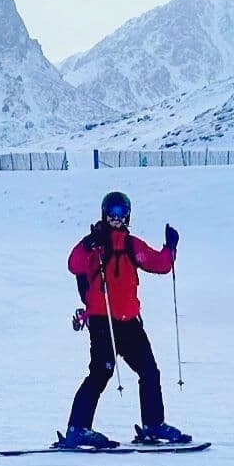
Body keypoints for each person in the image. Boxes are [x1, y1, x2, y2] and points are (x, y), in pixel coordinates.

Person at [59, 189, 190, 449]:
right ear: (104, 214)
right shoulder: (94, 244)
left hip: (129, 323)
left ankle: (153, 425)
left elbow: (159, 264)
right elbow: (74, 265)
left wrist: (170, 248)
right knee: (101, 373)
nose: (116, 218)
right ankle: (78, 429)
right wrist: (88, 243)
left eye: (121, 213)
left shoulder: (132, 245)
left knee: (149, 371)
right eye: (112, 212)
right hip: (102, 321)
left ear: (127, 216)